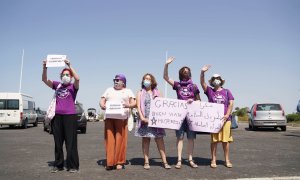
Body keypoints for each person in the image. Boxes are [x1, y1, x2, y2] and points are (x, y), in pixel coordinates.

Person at [42, 59, 80, 173]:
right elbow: (44, 80)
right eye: (63, 75)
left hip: (70, 117)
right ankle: (58, 165)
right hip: (57, 117)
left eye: (68, 75)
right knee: (58, 143)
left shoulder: (73, 87)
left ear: (71, 76)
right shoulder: (57, 85)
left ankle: (72, 166)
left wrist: (69, 65)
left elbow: (78, 78)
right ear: (60, 76)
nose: (65, 76)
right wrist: (45, 67)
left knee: (71, 143)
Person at [163, 56, 201, 169]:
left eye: (187, 72)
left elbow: (199, 100)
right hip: (179, 116)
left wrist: (193, 101)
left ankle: (190, 159)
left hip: (191, 116)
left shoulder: (194, 86)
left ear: (190, 74)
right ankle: (179, 160)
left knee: (190, 138)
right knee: (179, 138)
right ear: (181, 74)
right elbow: (165, 77)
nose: (186, 73)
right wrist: (167, 64)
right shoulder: (177, 85)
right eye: (184, 72)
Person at [134, 73, 171, 170]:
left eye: (149, 79)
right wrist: (142, 117)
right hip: (144, 121)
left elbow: (163, 105)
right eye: (145, 79)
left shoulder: (158, 92)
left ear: (152, 81)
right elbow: (138, 106)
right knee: (146, 140)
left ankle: (165, 162)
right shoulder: (139, 93)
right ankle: (146, 161)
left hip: (156, 122)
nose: (147, 80)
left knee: (160, 140)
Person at [200, 65, 234, 168]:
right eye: (214, 79)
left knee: (225, 141)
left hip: (226, 120)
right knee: (214, 141)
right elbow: (202, 83)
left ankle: (227, 160)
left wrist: (227, 114)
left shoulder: (227, 91)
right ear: (212, 81)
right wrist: (202, 73)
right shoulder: (210, 91)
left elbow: (231, 103)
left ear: (221, 80)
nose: (216, 80)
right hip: (214, 121)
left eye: (218, 79)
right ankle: (213, 159)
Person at [100, 74, 136, 170]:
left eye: (118, 80)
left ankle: (119, 162)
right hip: (109, 118)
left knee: (121, 140)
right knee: (110, 140)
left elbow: (134, 103)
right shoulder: (109, 90)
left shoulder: (128, 91)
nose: (115, 81)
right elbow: (102, 100)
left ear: (123, 82)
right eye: (115, 80)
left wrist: (128, 105)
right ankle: (110, 162)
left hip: (122, 118)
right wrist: (102, 105)